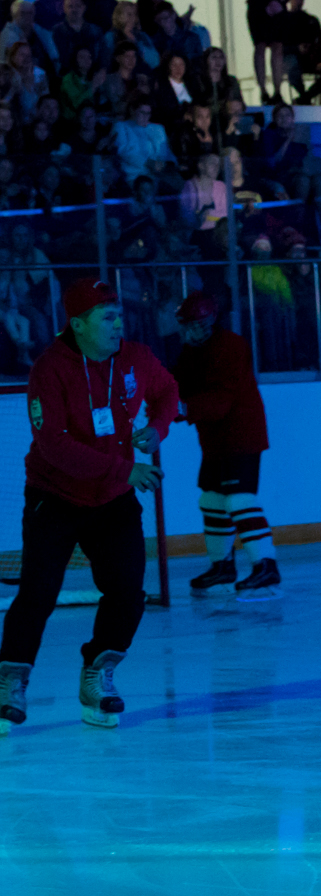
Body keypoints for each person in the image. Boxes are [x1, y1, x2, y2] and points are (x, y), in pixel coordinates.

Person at [0, 279, 179, 735]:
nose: (119, 323)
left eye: (119, 314)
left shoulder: (136, 359)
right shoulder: (50, 369)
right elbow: (55, 446)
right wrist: (125, 469)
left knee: (128, 592)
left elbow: (168, 391)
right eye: (107, 316)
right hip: (55, 496)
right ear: (78, 325)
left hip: (112, 500)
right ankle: (10, 679)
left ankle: (97, 672)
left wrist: (157, 428)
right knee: (38, 593)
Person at [170, 294, 280, 597]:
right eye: (187, 324)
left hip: (241, 435)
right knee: (212, 499)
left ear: (209, 321)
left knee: (239, 500)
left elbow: (221, 399)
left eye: (195, 323)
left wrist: (182, 409)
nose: (190, 329)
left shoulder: (230, 346)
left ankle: (266, 566)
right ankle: (222, 565)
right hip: (215, 439)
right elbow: (179, 382)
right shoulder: (193, 350)